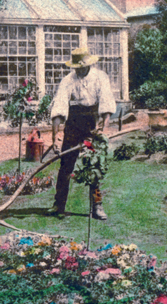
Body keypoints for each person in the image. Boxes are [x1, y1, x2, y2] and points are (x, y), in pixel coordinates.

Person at [47, 47, 116, 220]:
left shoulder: (100, 78)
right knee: (66, 166)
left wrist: (101, 129)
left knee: (94, 166)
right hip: (73, 124)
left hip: (92, 124)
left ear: (89, 64)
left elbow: (106, 106)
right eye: (76, 67)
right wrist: (55, 137)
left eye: (81, 66)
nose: (79, 70)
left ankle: (97, 206)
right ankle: (58, 204)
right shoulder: (68, 80)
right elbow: (59, 108)